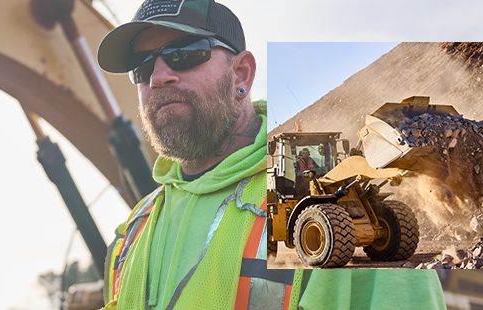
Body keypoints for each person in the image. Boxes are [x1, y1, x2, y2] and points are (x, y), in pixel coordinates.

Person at [96, 0, 445, 309]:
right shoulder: (135, 227)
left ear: (241, 74)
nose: (158, 77)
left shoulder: (347, 253)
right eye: (142, 66)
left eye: (184, 54)